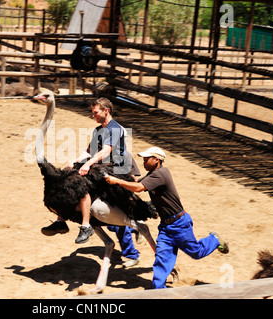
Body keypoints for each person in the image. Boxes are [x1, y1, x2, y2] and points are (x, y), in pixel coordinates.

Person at [105, 146, 229, 289]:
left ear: (156, 160)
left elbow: (138, 188)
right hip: (166, 227)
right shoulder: (153, 174)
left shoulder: (161, 174)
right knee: (161, 260)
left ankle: (213, 239)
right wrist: (122, 177)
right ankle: (159, 290)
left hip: (179, 224)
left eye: (146, 160)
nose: (143, 163)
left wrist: (117, 181)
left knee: (196, 252)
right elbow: (136, 183)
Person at [41, 97, 140, 247]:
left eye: (95, 112)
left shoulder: (115, 128)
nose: (93, 115)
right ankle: (60, 221)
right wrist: (74, 160)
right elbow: (90, 151)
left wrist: (87, 164)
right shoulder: (99, 130)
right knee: (69, 177)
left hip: (117, 169)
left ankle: (130, 241)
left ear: (106, 111)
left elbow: (106, 151)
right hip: (102, 166)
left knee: (114, 211)